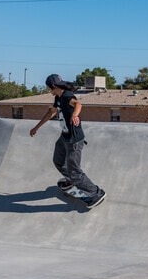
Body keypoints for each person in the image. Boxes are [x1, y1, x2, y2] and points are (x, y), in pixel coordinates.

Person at [30, 74, 105, 208]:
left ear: (52, 86)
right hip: (64, 136)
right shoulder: (58, 97)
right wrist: (36, 127)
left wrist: (75, 115)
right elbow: (51, 112)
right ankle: (71, 179)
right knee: (58, 161)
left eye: (48, 88)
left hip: (74, 140)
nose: (48, 90)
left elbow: (78, 104)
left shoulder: (67, 96)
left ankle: (95, 192)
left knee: (75, 171)